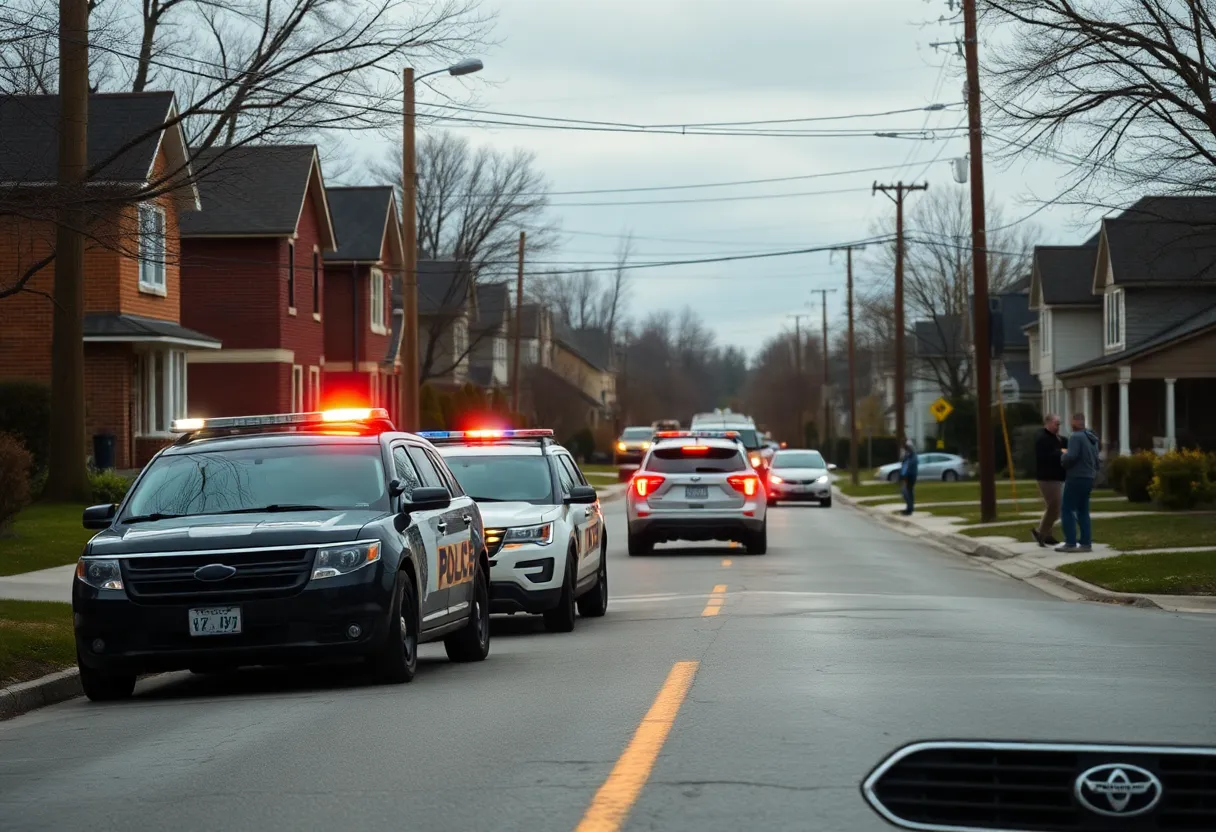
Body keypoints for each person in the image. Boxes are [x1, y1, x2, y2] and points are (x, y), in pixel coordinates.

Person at [1057, 412, 1101, 553]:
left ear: (1075, 422)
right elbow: (1096, 460)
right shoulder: (1091, 438)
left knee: (1067, 509)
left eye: (1072, 421)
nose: (1070, 424)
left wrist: (1063, 456)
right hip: (1089, 477)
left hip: (1076, 477)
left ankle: (1070, 542)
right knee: (1083, 510)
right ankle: (1086, 543)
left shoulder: (1076, 437)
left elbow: (1072, 456)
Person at [1031, 413, 1067, 547]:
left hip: (1057, 476)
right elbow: (1047, 455)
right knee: (1055, 505)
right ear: (1048, 423)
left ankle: (1047, 535)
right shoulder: (1042, 438)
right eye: (1056, 424)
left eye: (1059, 424)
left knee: (1053, 507)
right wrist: (1061, 452)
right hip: (1047, 478)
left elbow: (1065, 448)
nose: (1058, 426)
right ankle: (1041, 533)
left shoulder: (1059, 439)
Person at [899, 439, 918, 516]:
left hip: (911, 476)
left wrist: (906, 474)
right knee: (905, 492)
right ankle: (909, 508)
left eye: (908, 447)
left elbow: (909, 466)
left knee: (907, 492)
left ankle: (910, 509)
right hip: (906, 476)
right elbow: (903, 463)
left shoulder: (913, 456)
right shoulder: (907, 456)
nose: (907, 448)